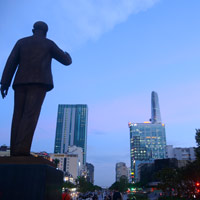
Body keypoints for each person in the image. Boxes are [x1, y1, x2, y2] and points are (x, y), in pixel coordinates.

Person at [0, 21, 72, 156]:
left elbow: (11, 62)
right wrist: (68, 55)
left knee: (17, 115)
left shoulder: (21, 42)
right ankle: (22, 150)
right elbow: (66, 61)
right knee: (30, 115)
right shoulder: (48, 43)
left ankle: (15, 151)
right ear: (45, 32)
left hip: (20, 82)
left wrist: (4, 83)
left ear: (33, 30)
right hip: (39, 83)